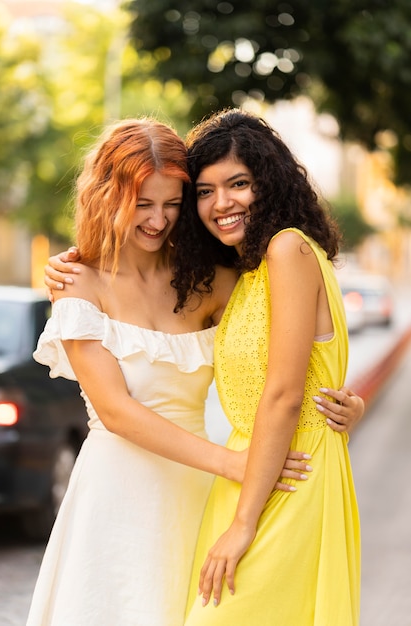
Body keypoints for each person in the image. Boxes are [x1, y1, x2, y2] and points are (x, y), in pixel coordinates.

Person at [28, 117, 344, 626]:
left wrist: (341, 400)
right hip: (119, 494)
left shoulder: (209, 282)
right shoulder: (78, 284)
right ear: (108, 198)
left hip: (198, 496)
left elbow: (287, 352)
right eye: (142, 204)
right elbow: (117, 411)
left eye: (173, 203)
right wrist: (233, 464)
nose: (158, 220)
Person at [169, 109, 361, 626]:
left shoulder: (287, 248)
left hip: (286, 479)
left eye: (238, 184)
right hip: (254, 470)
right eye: (205, 192)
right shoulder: (249, 271)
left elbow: (284, 395)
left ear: (268, 184)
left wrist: (243, 524)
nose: (221, 203)